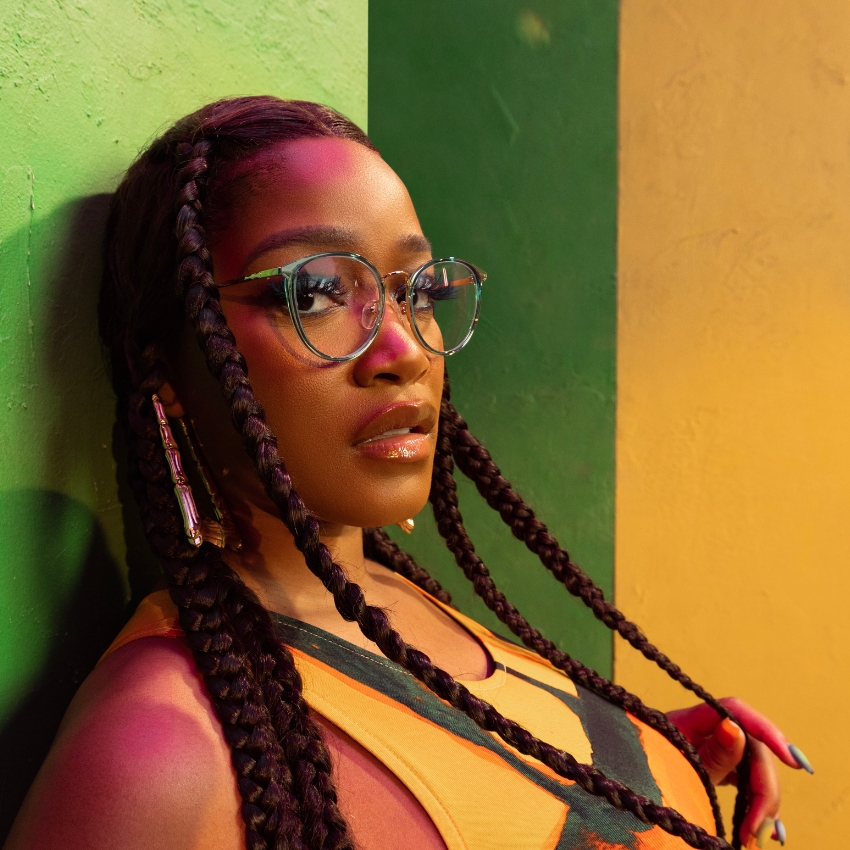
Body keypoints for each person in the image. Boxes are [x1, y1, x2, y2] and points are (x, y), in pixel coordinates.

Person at [4, 96, 810, 850]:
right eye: (315, 293)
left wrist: (642, 769)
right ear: (172, 370)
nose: (406, 351)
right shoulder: (158, 749)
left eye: (418, 291)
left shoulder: (390, 599)